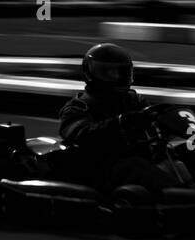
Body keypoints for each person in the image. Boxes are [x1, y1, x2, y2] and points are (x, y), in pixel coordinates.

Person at [57, 43, 172, 193]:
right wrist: (120, 122)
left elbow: (154, 127)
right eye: (108, 73)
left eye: (120, 72)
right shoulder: (78, 107)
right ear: (89, 73)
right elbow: (81, 134)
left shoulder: (134, 101)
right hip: (100, 169)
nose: (116, 77)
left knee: (185, 151)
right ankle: (180, 197)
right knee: (135, 165)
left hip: (138, 159)